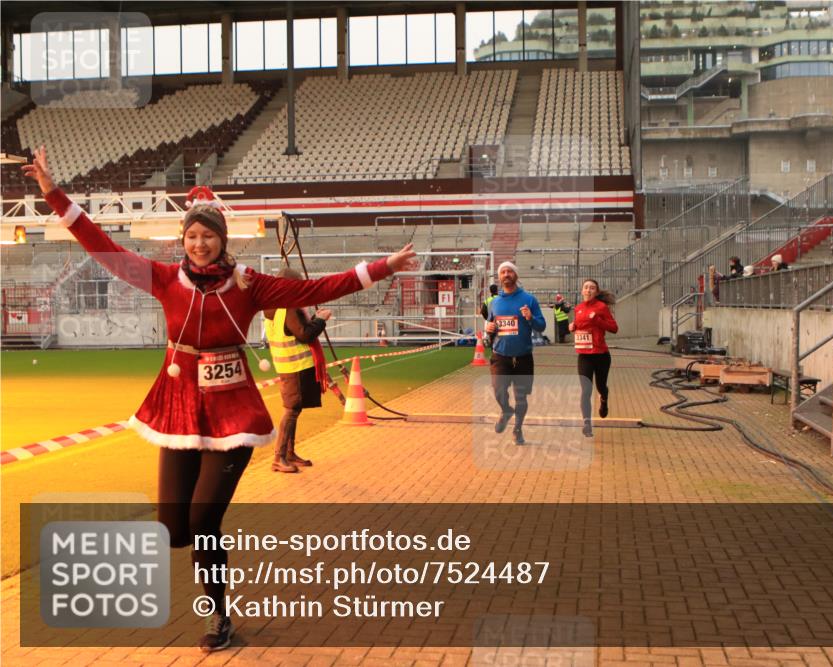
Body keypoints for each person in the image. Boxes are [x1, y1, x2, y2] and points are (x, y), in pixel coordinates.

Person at [22, 146, 416, 653]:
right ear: (182, 241)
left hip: (232, 415)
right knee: (173, 531)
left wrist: (384, 266)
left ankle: (219, 620)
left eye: (209, 235)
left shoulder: (248, 285)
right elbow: (104, 249)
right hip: (178, 411)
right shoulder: (166, 279)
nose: (200, 244)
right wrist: (54, 194)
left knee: (204, 523)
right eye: (192, 236)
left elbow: (317, 286)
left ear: (222, 239)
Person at [263, 268, 332, 474]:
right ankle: (279, 457)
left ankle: (289, 453)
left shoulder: (272, 308)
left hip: (287, 366)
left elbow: (294, 331)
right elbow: (304, 335)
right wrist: (320, 320)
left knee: (295, 410)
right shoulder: (288, 308)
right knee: (291, 411)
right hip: (296, 367)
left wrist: (312, 319)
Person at [483, 261, 546, 445]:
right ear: (500, 277)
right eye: (503, 272)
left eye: (510, 271)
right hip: (500, 356)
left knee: (521, 397)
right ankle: (505, 410)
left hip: (523, 357)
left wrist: (530, 317)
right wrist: (489, 328)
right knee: (498, 391)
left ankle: (518, 429)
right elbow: (490, 326)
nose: (506, 274)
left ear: (516, 275)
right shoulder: (495, 302)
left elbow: (541, 326)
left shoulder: (529, 300)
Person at [568, 279, 618, 437]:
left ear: (596, 292)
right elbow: (579, 325)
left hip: (601, 355)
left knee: (600, 386)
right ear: (582, 291)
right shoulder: (578, 308)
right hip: (584, 356)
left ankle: (604, 399)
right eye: (586, 287)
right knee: (586, 390)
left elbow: (614, 328)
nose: (588, 290)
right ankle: (587, 423)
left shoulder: (601, 307)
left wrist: (598, 320)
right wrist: (573, 326)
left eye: (592, 288)